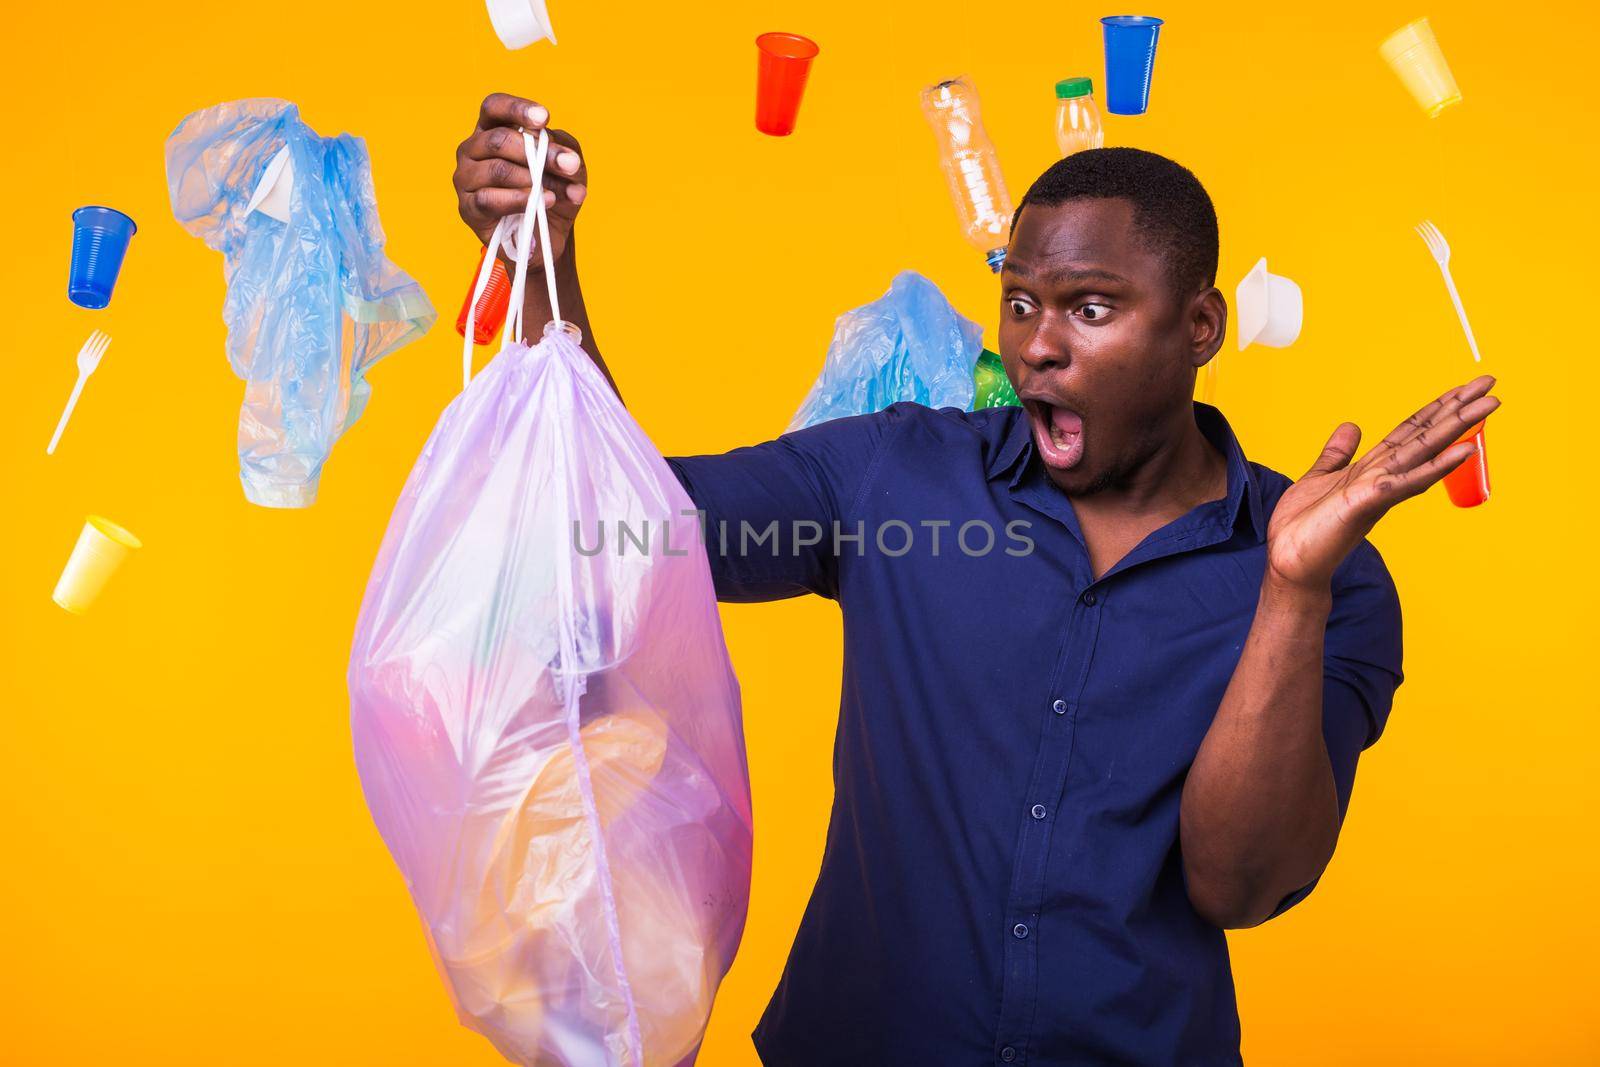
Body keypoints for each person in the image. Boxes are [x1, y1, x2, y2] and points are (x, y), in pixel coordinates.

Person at [451, 93, 1499, 1066]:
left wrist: (1288, 591)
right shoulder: (892, 476)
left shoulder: (1332, 575)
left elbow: (1240, 880)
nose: (1038, 345)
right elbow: (626, 525)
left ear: (1199, 328)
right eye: (1020, 302)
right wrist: (548, 260)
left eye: (1090, 308)